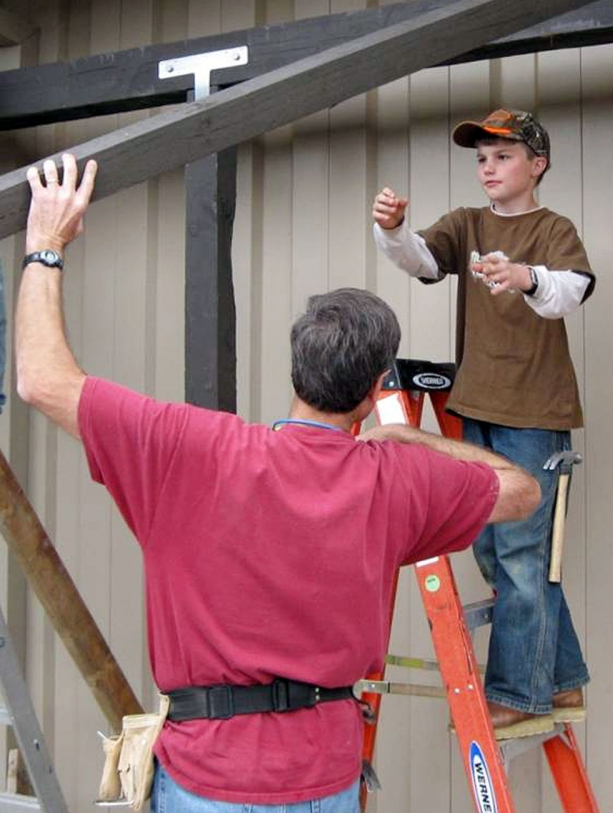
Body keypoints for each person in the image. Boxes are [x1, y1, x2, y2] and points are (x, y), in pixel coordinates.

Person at [17, 153, 539, 812]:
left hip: (209, 775)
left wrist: (45, 247)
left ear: (297, 367)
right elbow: (522, 488)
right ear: (376, 388)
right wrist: (411, 436)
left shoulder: (189, 448)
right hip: (326, 776)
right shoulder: (395, 479)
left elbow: (41, 378)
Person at [372, 108, 595, 739]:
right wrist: (392, 230)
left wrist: (523, 276)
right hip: (476, 408)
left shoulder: (554, 227)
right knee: (498, 555)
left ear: (536, 164)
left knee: (523, 558)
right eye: (481, 158)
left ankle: (520, 693)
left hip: (536, 413)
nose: (489, 167)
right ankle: (562, 675)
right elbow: (420, 261)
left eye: (502, 155)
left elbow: (571, 290)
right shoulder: (466, 225)